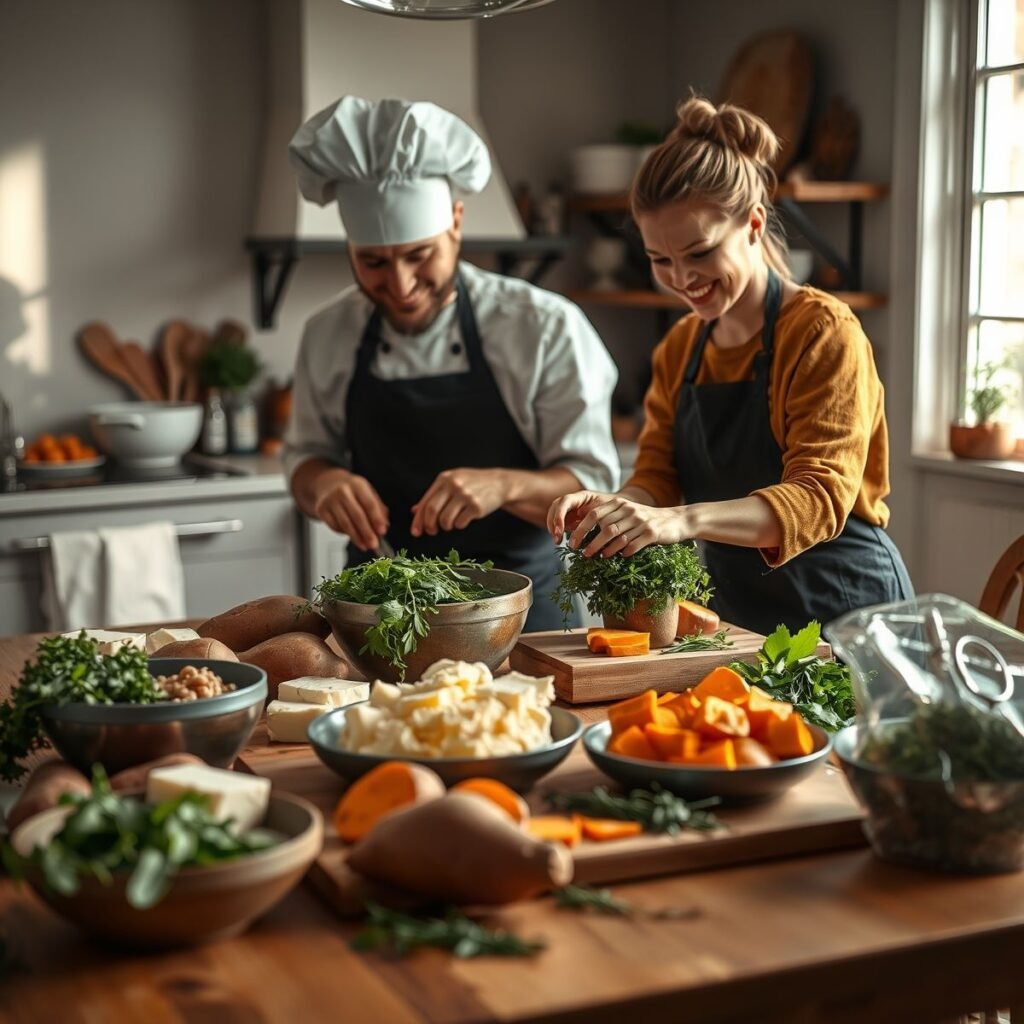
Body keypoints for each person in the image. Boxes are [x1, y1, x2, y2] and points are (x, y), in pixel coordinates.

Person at [547, 96, 912, 636]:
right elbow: (657, 478)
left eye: (700, 252)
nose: (681, 278)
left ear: (754, 224)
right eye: (660, 259)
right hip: (738, 616)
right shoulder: (680, 348)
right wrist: (616, 509)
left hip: (847, 611)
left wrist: (680, 520)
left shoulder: (821, 332)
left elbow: (817, 498)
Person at [284, 96, 619, 631]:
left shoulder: (543, 326)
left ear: (456, 223)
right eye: (374, 261)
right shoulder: (327, 334)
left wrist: (503, 486)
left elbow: (592, 486)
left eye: (419, 255)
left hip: (519, 618)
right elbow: (305, 460)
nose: (400, 284)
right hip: (378, 612)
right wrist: (323, 483)